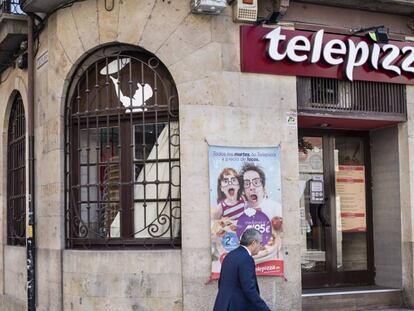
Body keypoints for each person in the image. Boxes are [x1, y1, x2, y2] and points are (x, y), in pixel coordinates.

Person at [213, 228, 272, 311]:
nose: (261, 246)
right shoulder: (246, 259)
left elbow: (221, 283)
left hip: (223, 306)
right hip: (236, 307)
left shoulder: (230, 255)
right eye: (260, 243)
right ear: (254, 243)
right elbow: (249, 289)